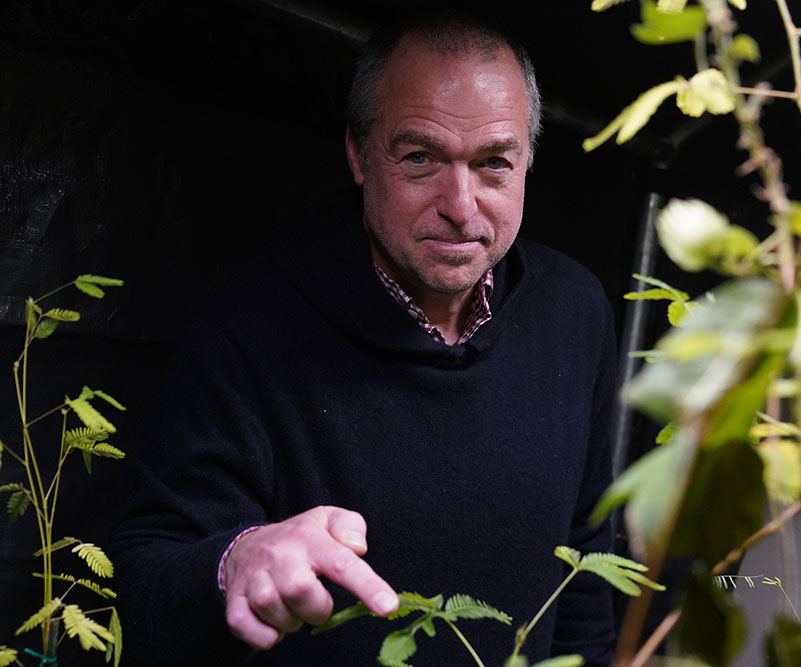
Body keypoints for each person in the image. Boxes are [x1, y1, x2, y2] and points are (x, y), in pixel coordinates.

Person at [112, 12, 618, 666]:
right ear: (358, 154)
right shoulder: (251, 321)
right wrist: (234, 559)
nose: (461, 205)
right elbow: (144, 580)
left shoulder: (574, 312)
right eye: (420, 158)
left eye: (494, 163)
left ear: (527, 161)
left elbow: (584, 575)